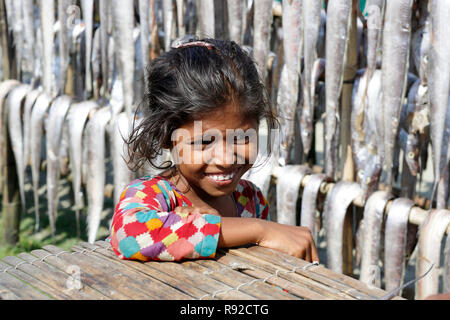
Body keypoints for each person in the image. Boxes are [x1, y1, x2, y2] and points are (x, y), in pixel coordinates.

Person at [108, 37, 318, 263]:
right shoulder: (153, 195)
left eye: (242, 138)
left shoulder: (250, 199)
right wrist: (259, 229)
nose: (226, 159)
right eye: (204, 142)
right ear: (166, 138)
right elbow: (128, 235)